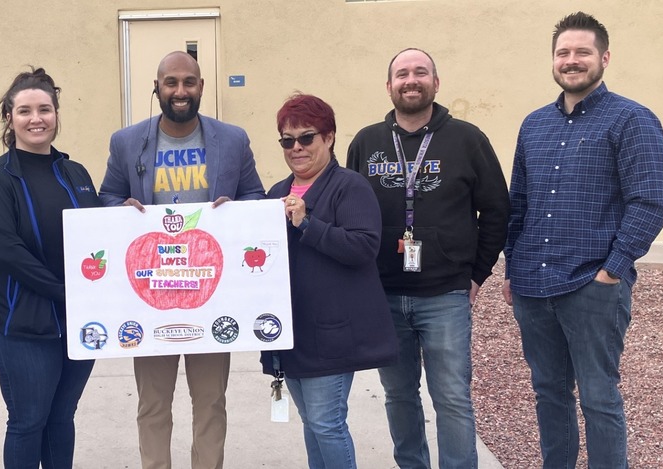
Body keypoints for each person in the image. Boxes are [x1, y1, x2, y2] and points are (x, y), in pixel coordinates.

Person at [503, 12, 663, 468]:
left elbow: (648, 203)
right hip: (533, 287)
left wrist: (611, 270)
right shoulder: (534, 125)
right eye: (563, 53)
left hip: (592, 286)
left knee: (598, 398)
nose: (571, 61)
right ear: (553, 60)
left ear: (605, 58)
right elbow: (519, 203)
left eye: (582, 52)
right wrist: (512, 265)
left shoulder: (632, 119)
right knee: (549, 394)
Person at [98, 50, 265, 469]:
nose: (180, 91)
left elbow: (256, 198)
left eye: (188, 82)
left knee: (210, 402)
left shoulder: (232, 139)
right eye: (170, 82)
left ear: (201, 87)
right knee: (153, 404)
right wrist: (123, 209)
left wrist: (235, 212)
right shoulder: (126, 141)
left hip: (211, 292)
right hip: (152, 293)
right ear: (157, 87)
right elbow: (107, 198)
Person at [346, 48, 510, 469]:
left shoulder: (468, 139)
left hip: (446, 295)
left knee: (452, 398)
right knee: (399, 395)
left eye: (421, 72)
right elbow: (349, 212)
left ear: (436, 83)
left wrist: (476, 275)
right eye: (402, 74)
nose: (411, 80)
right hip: (384, 295)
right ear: (389, 87)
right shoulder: (366, 142)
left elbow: (496, 210)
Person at [0, 67, 101, 469]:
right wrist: (66, 293)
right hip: (21, 323)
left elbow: (98, 237)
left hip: (77, 321)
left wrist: (130, 217)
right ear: (9, 118)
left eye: (44, 109)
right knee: (29, 421)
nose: (36, 118)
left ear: (57, 114)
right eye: (25, 110)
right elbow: (8, 251)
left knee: (62, 417)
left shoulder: (74, 173)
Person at [262, 93, 398, 469]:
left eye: (307, 137)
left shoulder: (349, 186)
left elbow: (363, 247)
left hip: (332, 334)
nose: (297, 148)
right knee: (312, 424)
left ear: (329, 137)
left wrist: (307, 222)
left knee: (327, 423)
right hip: (293, 334)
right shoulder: (276, 193)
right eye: (287, 140)